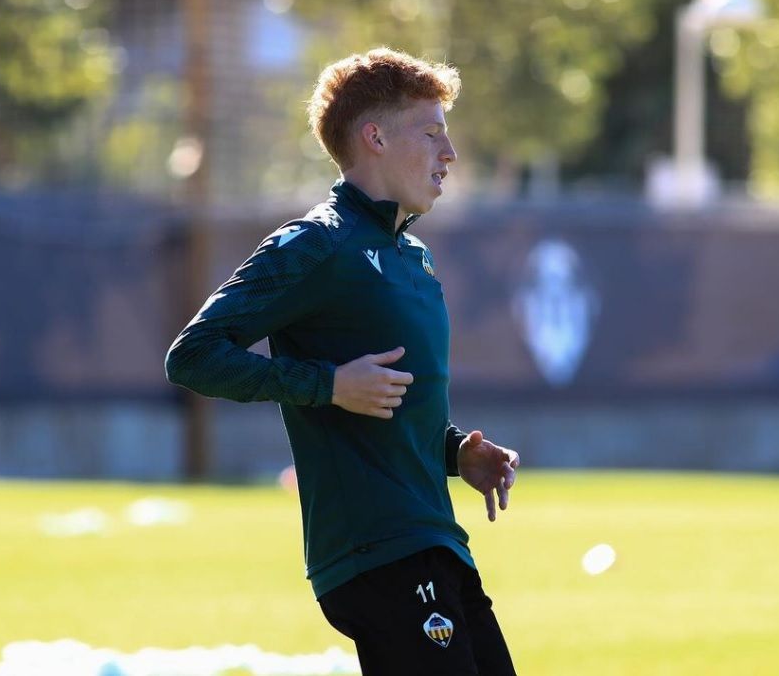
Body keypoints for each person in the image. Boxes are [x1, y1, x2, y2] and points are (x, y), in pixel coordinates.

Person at [165, 47, 519, 675]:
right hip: (378, 551)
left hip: (434, 538)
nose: (450, 153)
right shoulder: (316, 245)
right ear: (375, 136)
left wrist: (453, 451)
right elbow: (193, 357)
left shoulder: (413, 257)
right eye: (432, 132)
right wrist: (325, 384)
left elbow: (381, 403)